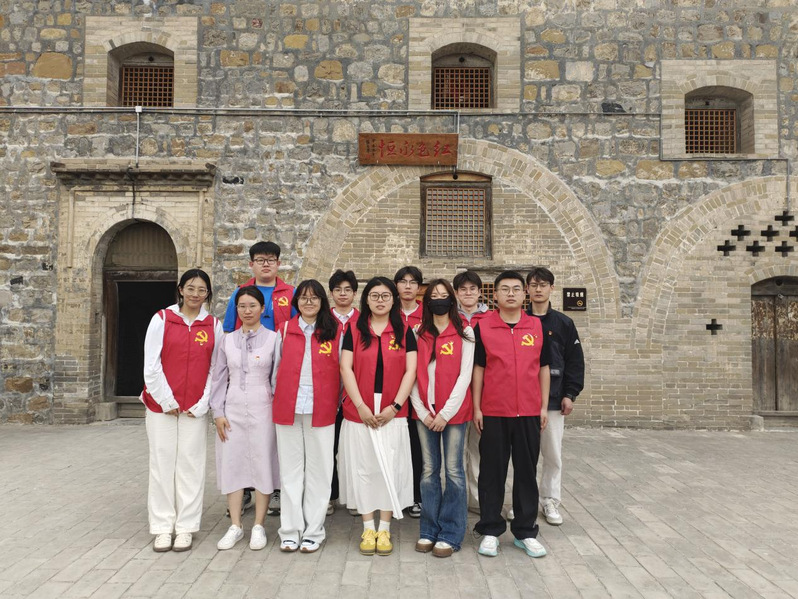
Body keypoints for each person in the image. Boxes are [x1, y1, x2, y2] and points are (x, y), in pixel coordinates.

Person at [141, 268, 224, 553]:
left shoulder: (213, 325)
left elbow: (216, 368)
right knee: (162, 465)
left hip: (194, 410)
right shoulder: (162, 319)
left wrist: (203, 403)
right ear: (180, 290)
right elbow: (151, 365)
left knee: (191, 465)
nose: (195, 294)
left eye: (201, 290)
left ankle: (186, 526)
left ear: (208, 294)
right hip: (161, 407)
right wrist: (167, 400)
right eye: (190, 288)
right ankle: (162, 527)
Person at [472, 271, 551, 559]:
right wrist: (477, 407)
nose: (510, 294)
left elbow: (544, 368)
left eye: (516, 289)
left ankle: (525, 531)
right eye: (504, 289)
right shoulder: (484, 327)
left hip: (529, 411)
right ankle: (490, 530)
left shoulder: (536, 326)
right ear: (494, 295)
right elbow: (479, 369)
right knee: (492, 472)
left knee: (527, 471)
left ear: (524, 293)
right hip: (494, 410)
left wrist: (543, 406)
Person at [338, 277, 417, 556]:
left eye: (385, 295)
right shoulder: (355, 330)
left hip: (392, 410)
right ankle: (367, 527)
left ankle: (384, 529)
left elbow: (411, 370)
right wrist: (360, 405)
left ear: (394, 300)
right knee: (364, 468)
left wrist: (394, 406)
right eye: (374, 295)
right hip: (360, 410)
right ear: (366, 300)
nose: (380, 300)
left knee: (389, 468)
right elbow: (345, 368)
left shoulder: (404, 331)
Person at [222, 241, 294, 517]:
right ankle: (243, 491)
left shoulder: (290, 293)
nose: (266, 264)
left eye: (271, 259)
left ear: (278, 264)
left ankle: (274, 489)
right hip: (246, 370)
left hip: (276, 368)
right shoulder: (240, 294)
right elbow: (229, 330)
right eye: (260, 260)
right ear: (251, 264)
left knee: (269, 439)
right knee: (239, 441)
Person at [272, 280, 342, 553]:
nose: (309, 302)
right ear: (296, 302)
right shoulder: (284, 330)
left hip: (322, 409)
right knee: (290, 472)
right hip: (288, 409)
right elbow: (275, 371)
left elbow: (343, 371)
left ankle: (314, 530)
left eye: (314, 298)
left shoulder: (334, 331)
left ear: (322, 301)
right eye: (303, 298)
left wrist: (336, 402)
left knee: (319, 472)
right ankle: (290, 531)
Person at [211, 286, 282, 551]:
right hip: (232, 409)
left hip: (264, 408)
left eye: (252, 305)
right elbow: (218, 378)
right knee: (233, 462)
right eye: (242, 306)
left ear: (263, 309)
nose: (247, 311)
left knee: (263, 462)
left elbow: (277, 377)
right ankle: (236, 525)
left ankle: (259, 525)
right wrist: (218, 412)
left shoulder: (274, 339)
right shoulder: (226, 340)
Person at [410, 279, 474, 558]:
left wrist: (445, 413)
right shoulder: (418, 332)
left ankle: (451, 532)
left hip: (454, 414)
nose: (438, 300)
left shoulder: (465, 332)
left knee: (454, 472)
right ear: (427, 302)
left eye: (443, 295)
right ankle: (428, 529)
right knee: (428, 472)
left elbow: (465, 376)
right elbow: (411, 375)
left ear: (451, 299)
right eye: (433, 296)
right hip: (424, 413)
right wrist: (423, 412)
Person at [526, 267, 584, 526]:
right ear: (527, 289)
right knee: (524, 455)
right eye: (534, 285)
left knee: (552, 454)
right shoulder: (519, 320)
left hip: (553, 399)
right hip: (523, 400)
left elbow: (575, 361)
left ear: (552, 288)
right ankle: (524, 501)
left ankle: (549, 500)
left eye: (543, 285)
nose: (538, 289)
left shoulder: (564, 323)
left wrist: (570, 393)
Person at [453, 270, 491, 514]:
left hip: (483, 394)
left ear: (480, 292)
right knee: (455, 451)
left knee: (478, 449)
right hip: (455, 394)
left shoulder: (491, 319)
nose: (468, 293)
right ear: (456, 293)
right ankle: (457, 497)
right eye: (463, 289)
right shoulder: (449, 318)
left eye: (472, 289)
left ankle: (477, 499)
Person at [328, 269, 360, 516]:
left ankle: (356, 496)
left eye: (347, 289)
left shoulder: (363, 321)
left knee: (352, 450)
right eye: (338, 289)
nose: (342, 294)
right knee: (328, 448)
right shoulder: (322, 320)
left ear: (355, 293)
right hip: (327, 394)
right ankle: (330, 495)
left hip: (355, 394)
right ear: (331, 293)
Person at [393, 265, 424, 518]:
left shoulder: (428, 315)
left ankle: (416, 496)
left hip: (420, 391)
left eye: (412, 282)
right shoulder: (387, 313)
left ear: (419, 287)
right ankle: (392, 494)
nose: (407, 286)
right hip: (393, 390)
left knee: (416, 446)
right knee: (394, 446)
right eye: (403, 281)